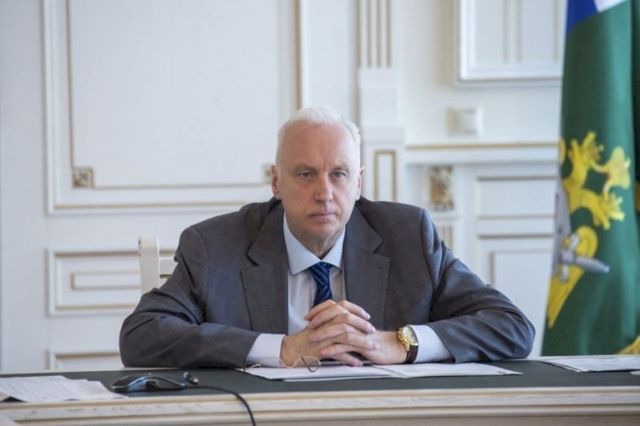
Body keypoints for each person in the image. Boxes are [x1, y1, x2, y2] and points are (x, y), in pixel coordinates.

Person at [120, 106, 534, 369]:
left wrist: (401, 342)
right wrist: (281, 349)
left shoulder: (409, 236)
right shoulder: (215, 246)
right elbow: (142, 335)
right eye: (305, 174)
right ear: (276, 182)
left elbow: (512, 326)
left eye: (339, 174)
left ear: (358, 183)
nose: (324, 192)